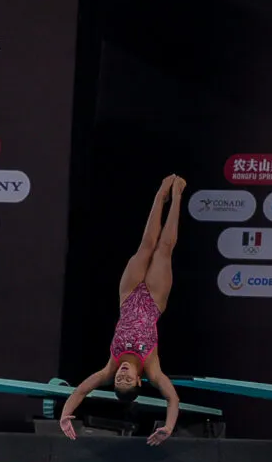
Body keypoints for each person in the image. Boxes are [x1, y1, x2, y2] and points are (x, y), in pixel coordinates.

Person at [60, 175, 186, 446]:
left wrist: (65, 415)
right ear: (138, 381)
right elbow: (172, 398)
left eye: (119, 378)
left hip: (128, 296)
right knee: (164, 249)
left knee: (146, 244)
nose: (122, 374)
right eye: (127, 379)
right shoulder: (152, 369)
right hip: (154, 300)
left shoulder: (110, 367)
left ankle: (160, 194)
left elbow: (81, 390)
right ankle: (177, 196)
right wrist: (168, 427)